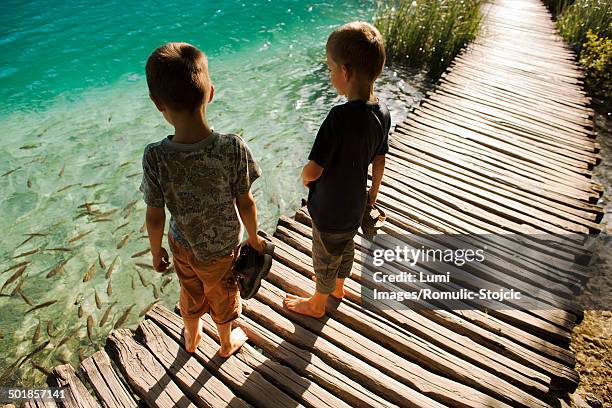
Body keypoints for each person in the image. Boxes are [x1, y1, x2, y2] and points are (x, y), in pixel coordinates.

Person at [140, 42, 265, 356]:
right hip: (222, 250)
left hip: (181, 244)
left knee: (190, 290)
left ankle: (192, 337)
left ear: (157, 103)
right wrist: (253, 237)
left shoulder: (155, 156)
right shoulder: (231, 147)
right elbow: (245, 202)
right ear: (211, 92)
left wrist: (156, 252)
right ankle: (225, 343)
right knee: (222, 297)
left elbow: (155, 215)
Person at [284, 22, 390, 318]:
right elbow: (379, 159)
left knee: (324, 257)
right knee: (345, 248)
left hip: (330, 209)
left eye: (330, 69)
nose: (331, 75)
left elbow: (314, 170)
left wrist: (304, 177)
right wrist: (373, 193)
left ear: (345, 72)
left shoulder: (338, 117)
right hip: (356, 203)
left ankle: (318, 303)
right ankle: (339, 287)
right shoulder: (382, 111)